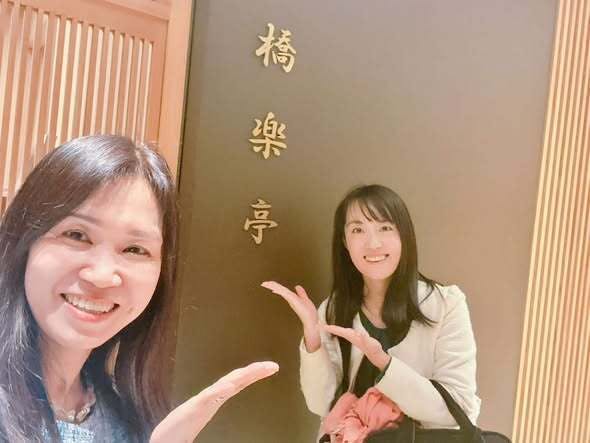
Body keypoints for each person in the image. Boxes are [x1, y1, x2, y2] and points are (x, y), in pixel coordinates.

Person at [0, 135, 278, 442]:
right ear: (23, 241)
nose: (102, 275)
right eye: (76, 235)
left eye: (134, 249)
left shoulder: (125, 417)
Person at [262, 184, 480, 437]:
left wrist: (383, 362)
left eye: (385, 228)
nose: (373, 243)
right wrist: (312, 335)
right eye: (358, 230)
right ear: (345, 242)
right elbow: (321, 404)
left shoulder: (445, 304)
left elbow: (458, 407)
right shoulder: (333, 309)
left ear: (404, 236)